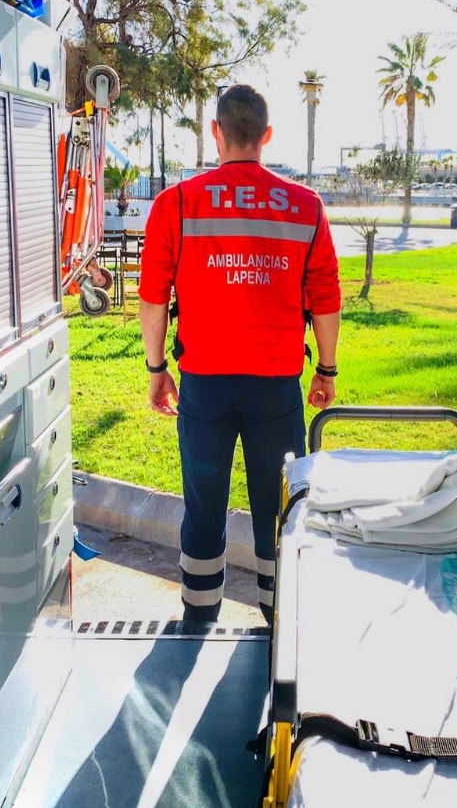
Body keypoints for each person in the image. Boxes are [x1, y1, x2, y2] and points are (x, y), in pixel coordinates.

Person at [138, 84, 342, 624]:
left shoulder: (176, 204)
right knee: (278, 509)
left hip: (204, 384)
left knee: (204, 505)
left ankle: (199, 618)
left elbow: (153, 298)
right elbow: (325, 297)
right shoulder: (306, 207)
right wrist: (326, 368)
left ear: (216, 133)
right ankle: (279, 628)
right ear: (266, 137)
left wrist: (157, 369)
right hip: (276, 387)